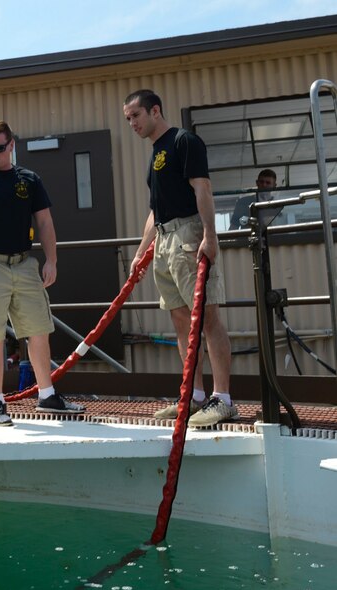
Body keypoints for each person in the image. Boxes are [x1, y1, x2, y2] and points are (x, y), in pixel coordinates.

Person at [0, 120, 85, 426]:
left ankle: (47, 395)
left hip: (24, 264)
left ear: (11, 145)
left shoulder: (29, 180)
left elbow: (45, 223)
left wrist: (52, 260)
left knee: (38, 331)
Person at [123, 89, 236, 427]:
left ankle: (223, 399)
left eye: (136, 116)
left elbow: (203, 189)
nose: (132, 123)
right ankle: (194, 397)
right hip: (164, 238)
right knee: (180, 321)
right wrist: (141, 253)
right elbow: (155, 209)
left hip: (189, 235)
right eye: (128, 119)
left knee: (208, 318)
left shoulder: (184, 141)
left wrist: (210, 236)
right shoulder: (156, 153)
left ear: (154, 111)